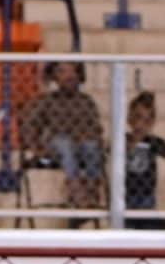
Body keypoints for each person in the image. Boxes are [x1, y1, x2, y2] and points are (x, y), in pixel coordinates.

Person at [22, 62, 106, 215]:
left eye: (72, 71)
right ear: (54, 77)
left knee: (91, 145)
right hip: (56, 147)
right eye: (62, 72)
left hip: (82, 146)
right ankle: (75, 190)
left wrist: (90, 137)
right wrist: (36, 147)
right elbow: (30, 125)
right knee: (64, 143)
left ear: (79, 75)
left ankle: (92, 190)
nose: (68, 76)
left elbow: (96, 128)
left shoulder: (86, 101)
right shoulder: (47, 101)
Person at [124, 91, 165, 230]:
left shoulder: (152, 141)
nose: (141, 125)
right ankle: (162, 226)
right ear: (130, 120)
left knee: (146, 220)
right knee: (130, 224)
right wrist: (132, 144)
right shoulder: (124, 140)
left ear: (151, 123)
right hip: (127, 192)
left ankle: (158, 227)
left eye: (146, 121)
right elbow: (111, 151)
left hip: (147, 193)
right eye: (137, 118)